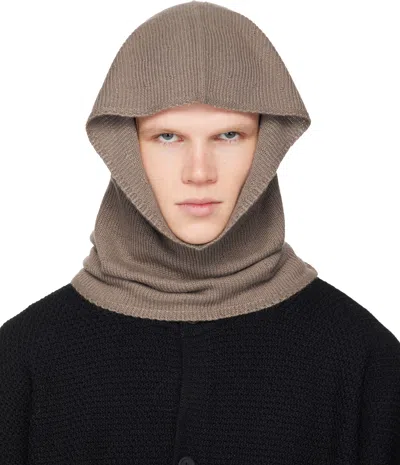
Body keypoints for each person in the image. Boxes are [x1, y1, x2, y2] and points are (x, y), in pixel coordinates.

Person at [1, 1, 399, 464]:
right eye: (167, 137)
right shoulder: (22, 360)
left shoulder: (363, 359)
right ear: (125, 145)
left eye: (229, 136)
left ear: (266, 143)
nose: (199, 172)